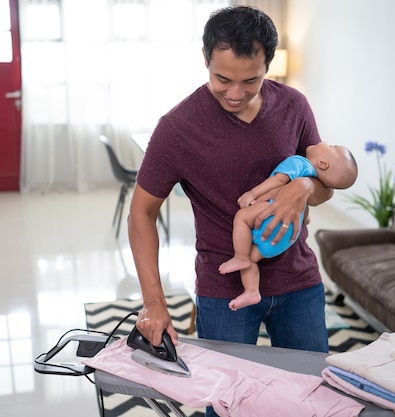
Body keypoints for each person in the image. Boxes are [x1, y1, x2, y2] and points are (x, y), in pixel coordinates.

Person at [128, 7, 332, 409]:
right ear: (205, 58)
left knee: (313, 398)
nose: (235, 93)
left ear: (268, 65)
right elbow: (141, 213)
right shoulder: (177, 128)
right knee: (226, 404)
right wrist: (154, 303)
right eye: (223, 79)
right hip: (224, 289)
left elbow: (324, 185)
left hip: (299, 281)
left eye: (250, 81)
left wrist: (304, 186)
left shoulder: (294, 106)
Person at [219, 144, 357, 311]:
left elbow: (277, 180)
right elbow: (304, 209)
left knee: (242, 218)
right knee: (253, 258)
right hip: (286, 237)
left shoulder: (298, 163)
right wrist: (306, 218)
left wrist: (253, 194)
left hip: (273, 221)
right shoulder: (311, 178)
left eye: (331, 146)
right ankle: (252, 291)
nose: (324, 142)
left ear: (323, 163)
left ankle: (240, 257)